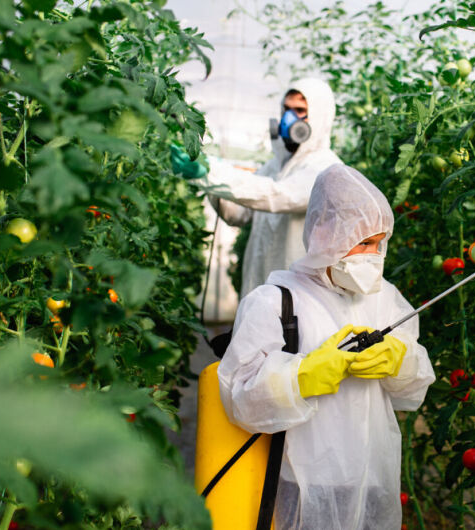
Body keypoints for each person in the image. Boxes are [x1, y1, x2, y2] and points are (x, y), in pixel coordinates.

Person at [217, 164, 435, 529]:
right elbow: (240, 399)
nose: (373, 254)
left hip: (372, 476)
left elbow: (414, 392)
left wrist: (402, 361)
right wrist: (299, 377)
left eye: (380, 242)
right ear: (323, 233)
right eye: (363, 242)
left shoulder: (386, 299)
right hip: (304, 481)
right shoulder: (276, 301)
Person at [172, 78, 342, 298]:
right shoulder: (275, 166)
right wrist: (210, 182)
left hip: (299, 296)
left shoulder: (327, 169)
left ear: (320, 118)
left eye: (300, 110)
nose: (289, 119)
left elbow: (276, 195)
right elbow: (239, 214)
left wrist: (212, 172)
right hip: (262, 285)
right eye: (286, 109)